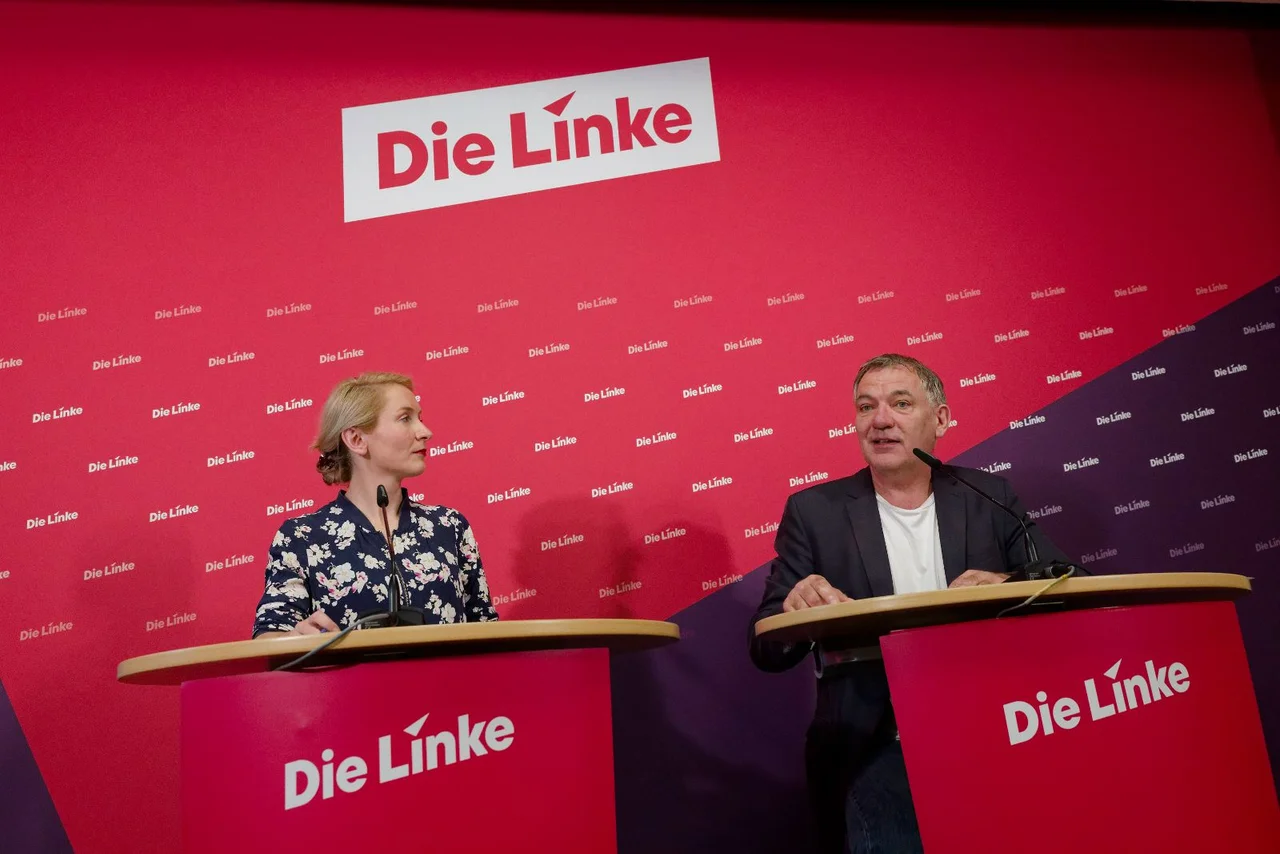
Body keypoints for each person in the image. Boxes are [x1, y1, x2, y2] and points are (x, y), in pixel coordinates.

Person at [748, 354, 1072, 854]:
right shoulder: (814, 512)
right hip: (874, 743)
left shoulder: (988, 496)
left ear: (940, 419)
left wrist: (1007, 582)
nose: (880, 420)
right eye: (866, 407)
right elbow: (766, 647)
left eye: (900, 403)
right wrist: (796, 608)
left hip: (998, 724)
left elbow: (1067, 580)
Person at [252, 371, 497, 637]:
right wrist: (295, 638)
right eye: (405, 418)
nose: (425, 432)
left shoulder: (449, 526)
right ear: (356, 440)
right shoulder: (302, 536)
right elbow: (269, 636)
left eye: (420, 418)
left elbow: (486, 630)